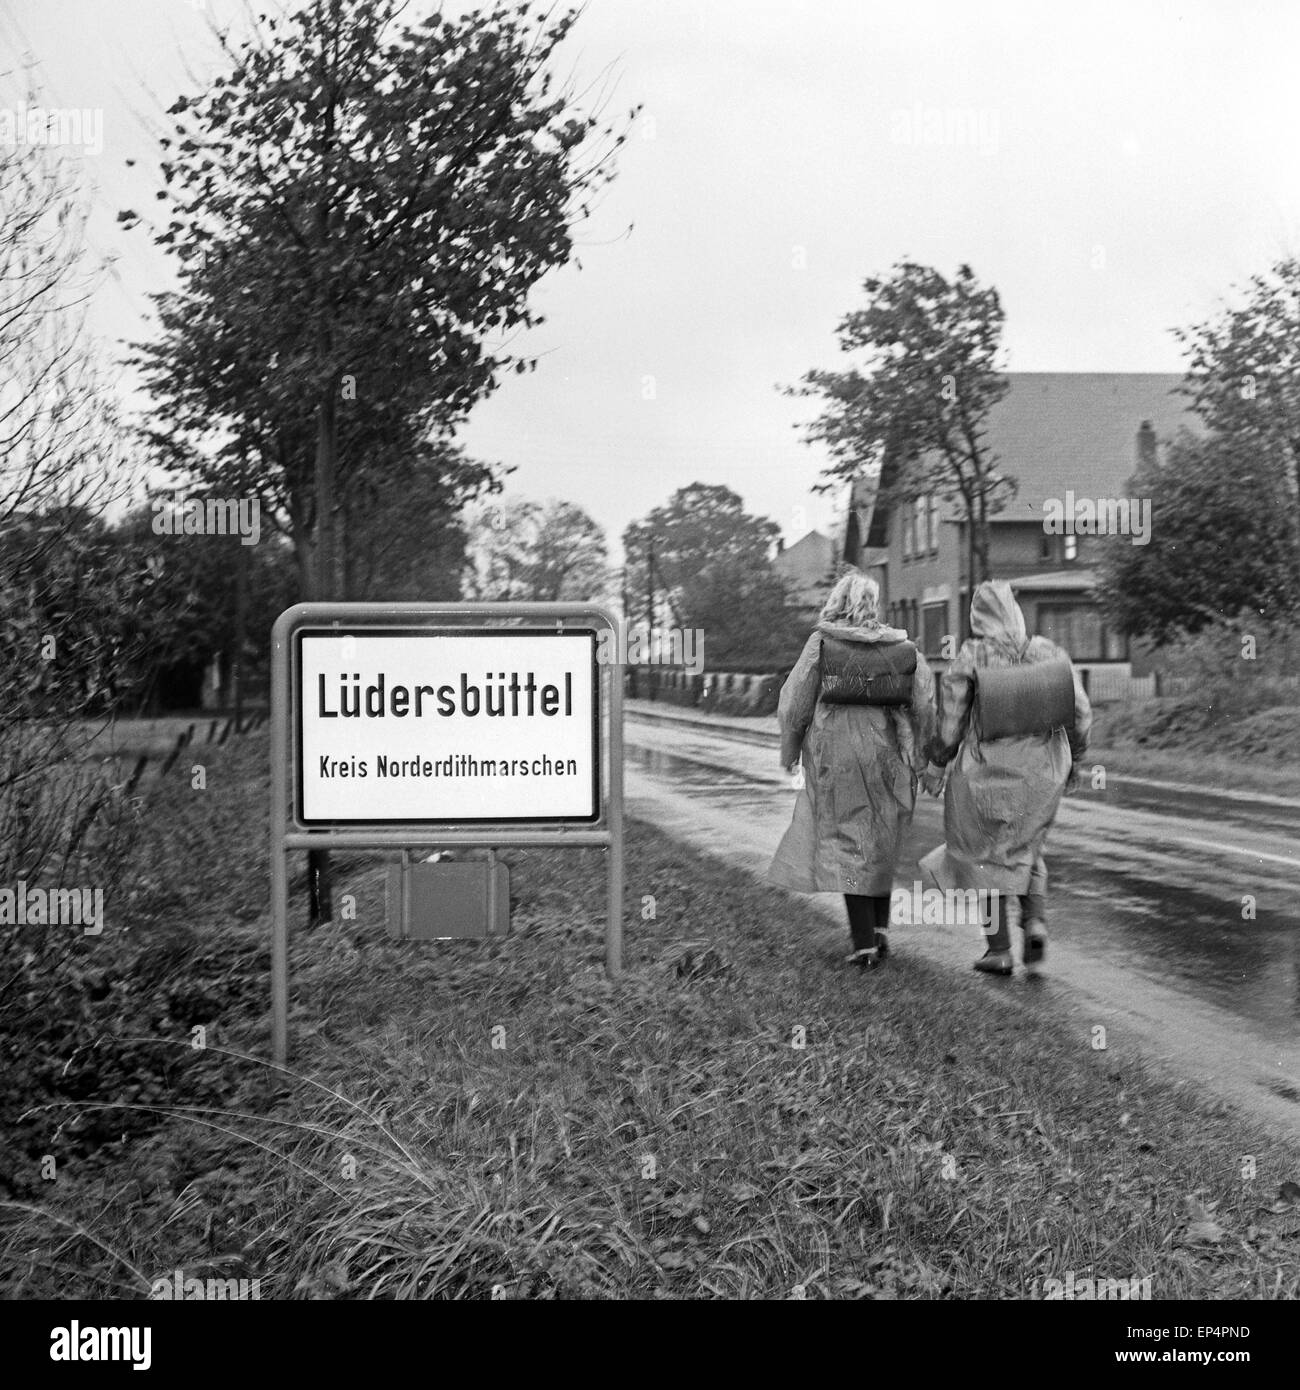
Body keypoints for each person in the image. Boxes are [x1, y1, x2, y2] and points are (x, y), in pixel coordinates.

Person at [920, 580, 1092, 975]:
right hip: (1041, 774)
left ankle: (998, 950)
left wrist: (936, 764)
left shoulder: (971, 655)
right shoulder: (1048, 652)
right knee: (1027, 847)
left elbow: (951, 721)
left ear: (978, 617)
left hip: (985, 771)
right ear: (1014, 610)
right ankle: (1034, 921)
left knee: (988, 859)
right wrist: (1076, 759)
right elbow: (1080, 713)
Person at [767, 570, 936, 970]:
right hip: (889, 753)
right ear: (872, 605)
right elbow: (925, 703)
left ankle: (863, 948)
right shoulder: (900, 647)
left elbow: (794, 702)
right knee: (879, 841)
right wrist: (924, 756)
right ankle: (878, 934)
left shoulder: (823, 643)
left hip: (837, 752)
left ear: (837, 602)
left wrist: (790, 749)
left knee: (849, 844)